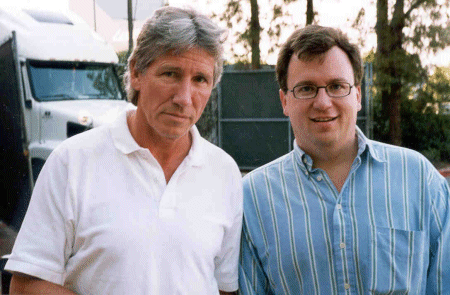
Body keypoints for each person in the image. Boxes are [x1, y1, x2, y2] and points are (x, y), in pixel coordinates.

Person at [5, 6, 242, 295]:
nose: (184, 98)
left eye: (200, 80)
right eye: (170, 73)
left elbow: (224, 288)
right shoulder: (72, 162)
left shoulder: (224, 172)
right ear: (136, 73)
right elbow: (26, 285)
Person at [239, 25, 450, 294]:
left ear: (358, 95)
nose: (323, 102)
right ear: (284, 101)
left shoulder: (418, 178)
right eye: (306, 88)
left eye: (337, 86)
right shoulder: (254, 199)